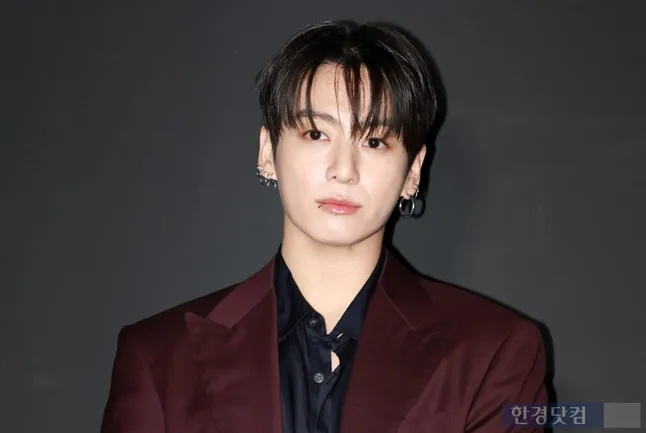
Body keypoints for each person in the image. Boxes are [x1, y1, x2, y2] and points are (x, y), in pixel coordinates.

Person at [101, 20, 548, 433]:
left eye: (374, 141)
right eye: (316, 134)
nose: (343, 170)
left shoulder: (492, 351)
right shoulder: (159, 356)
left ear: (412, 170)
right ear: (268, 152)